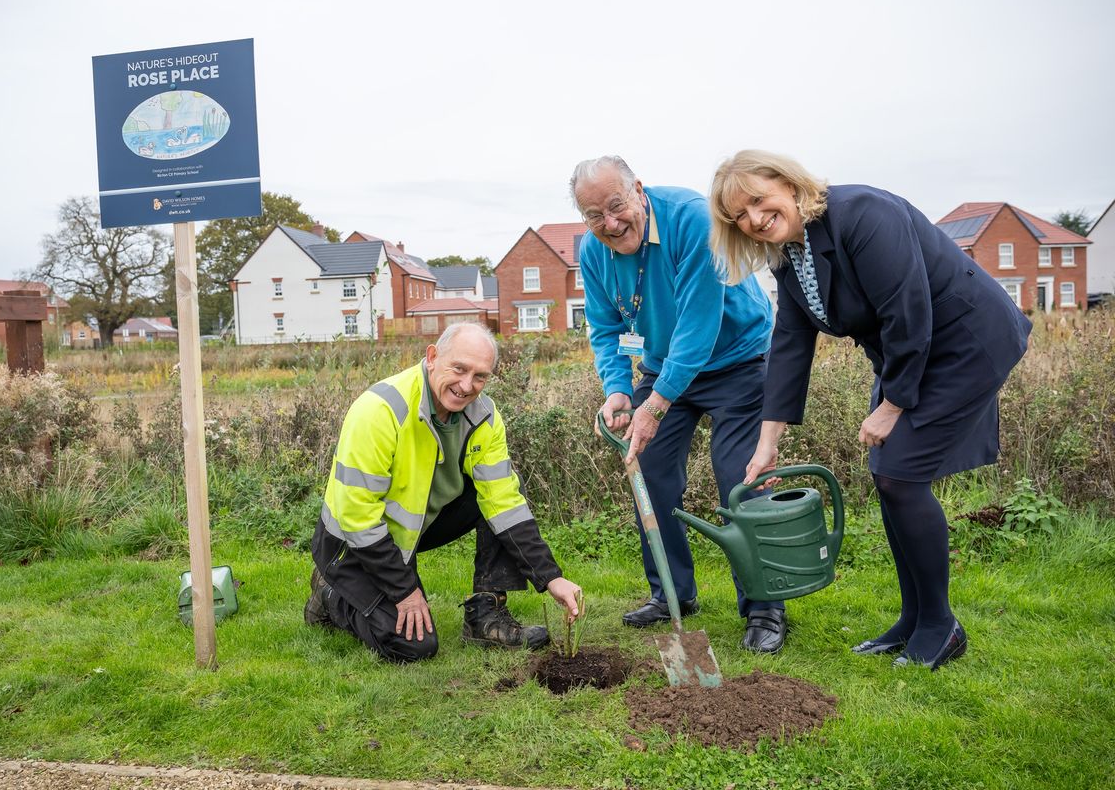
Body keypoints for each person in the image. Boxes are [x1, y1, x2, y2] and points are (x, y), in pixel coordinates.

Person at [709, 150, 1033, 670]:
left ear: (787, 183)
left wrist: (892, 404)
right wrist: (766, 442)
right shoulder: (791, 255)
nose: (752, 219)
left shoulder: (862, 214)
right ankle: (913, 618)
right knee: (889, 475)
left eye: (756, 200)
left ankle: (939, 626)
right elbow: (791, 342)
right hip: (913, 351)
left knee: (901, 476)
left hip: (964, 341)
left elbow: (909, 309)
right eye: (738, 216)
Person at [570, 155, 788, 653]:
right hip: (664, 366)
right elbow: (606, 328)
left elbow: (699, 325)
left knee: (741, 475)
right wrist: (619, 390)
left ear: (639, 191)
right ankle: (671, 594)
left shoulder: (692, 218)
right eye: (594, 216)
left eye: (616, 206)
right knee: (647, 468)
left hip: (738, 358)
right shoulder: (594, 252)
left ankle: (764, 607)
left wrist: (653, 406)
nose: (609, 223)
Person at [304, 322, 583, 663]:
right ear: (433, 357)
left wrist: (551, 578)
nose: (467, 386)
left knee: (510, 486)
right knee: (415, 647)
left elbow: (505, 504)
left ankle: (486, 617)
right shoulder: (380, 409)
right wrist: (406, 591)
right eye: (459, 369)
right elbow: (357, 517)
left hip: (415, 527)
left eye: (480, 376)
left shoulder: (484, 417)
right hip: (351, 543)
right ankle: (330, 594)